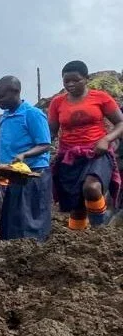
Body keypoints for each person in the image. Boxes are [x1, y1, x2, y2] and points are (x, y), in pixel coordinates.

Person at [48, 60, 123, 229]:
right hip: (70, 156)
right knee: (77, 205)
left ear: (86, 78)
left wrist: (106, 139)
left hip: (97, 153)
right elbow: (51, 133)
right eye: (66, 81)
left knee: (92, 188)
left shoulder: (101, 97)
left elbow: (121, 123)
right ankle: (78, 240)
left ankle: (99, 231)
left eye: (75, 80)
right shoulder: (57, 103)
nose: (70, 84)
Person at [0, 76, 54, 241]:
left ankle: (34, 253)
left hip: (34, 174)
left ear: (16, 92)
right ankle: (13, 253)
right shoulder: (4, 118)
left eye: (1, 97)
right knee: (12, 220)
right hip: (16, 176)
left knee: (31, 219)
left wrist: (24, 155)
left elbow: (45, 144)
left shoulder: (32, 114)